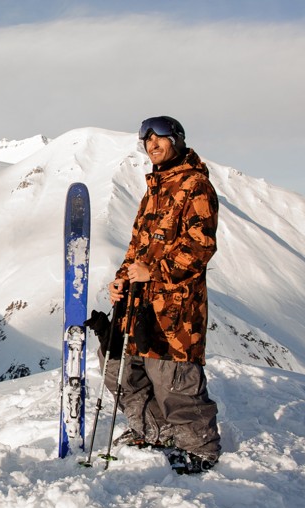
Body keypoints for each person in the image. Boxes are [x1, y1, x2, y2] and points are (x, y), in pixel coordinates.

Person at [105, 115, 221, 474]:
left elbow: (201, 248)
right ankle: (151, 431)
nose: (152, 145)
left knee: (173, 381)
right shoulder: (155, 188)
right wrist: (122, 279)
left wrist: (154, 272)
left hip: (176, 308)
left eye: (160, 138)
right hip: (138, 303)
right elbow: (137, 247)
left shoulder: (195, 186)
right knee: (126, 372)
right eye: (147, 140)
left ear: (178, 140)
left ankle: (199, 448)